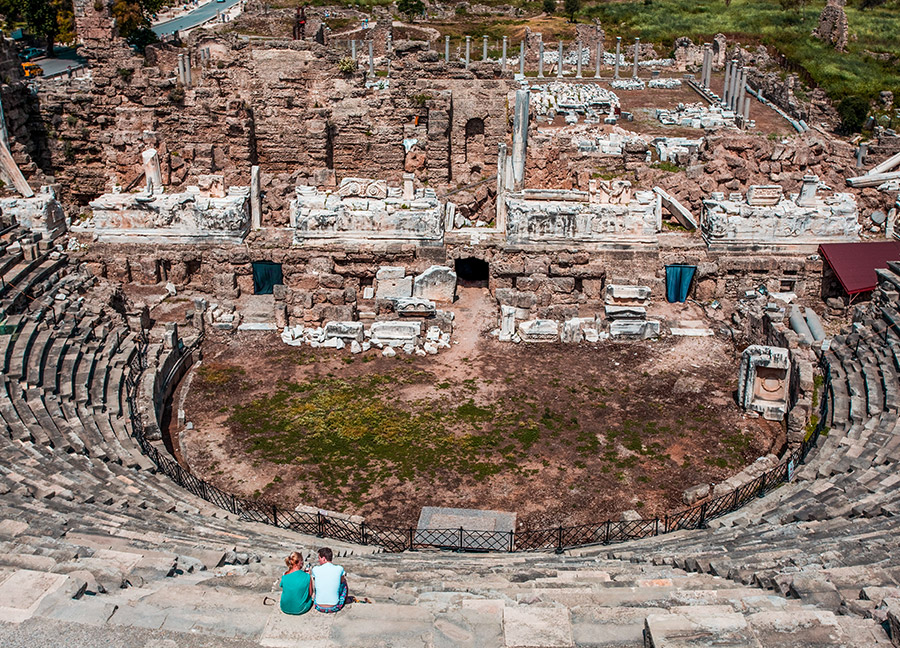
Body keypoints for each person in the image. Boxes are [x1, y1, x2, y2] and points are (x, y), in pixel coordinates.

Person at [310, 547, 348, 613]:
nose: (319, 560)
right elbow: (342, 581)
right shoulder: (339, 568)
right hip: (335, 607)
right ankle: (342, 599)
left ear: (324, 558)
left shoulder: (315, 569)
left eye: (319, 558)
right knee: (344, 583)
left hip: (318, 606)